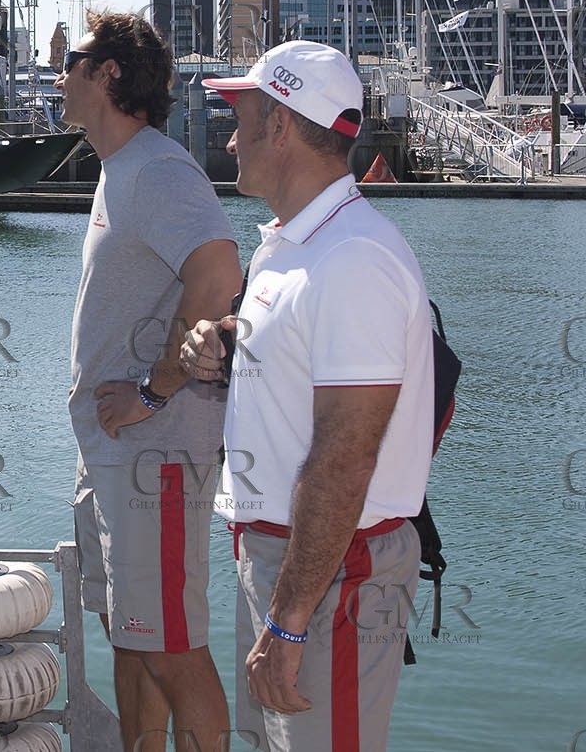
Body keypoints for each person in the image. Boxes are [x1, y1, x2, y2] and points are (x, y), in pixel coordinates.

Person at [182, 41, 434, 751]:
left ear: (283, 127)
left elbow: (348, 455)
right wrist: (223, 340)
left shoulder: (353, 258)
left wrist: (289, 621)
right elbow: (298, 353)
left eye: (243, 116)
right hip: (287, 564)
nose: (230, 136)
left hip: (330, 576)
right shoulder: (294, 246)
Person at [57, 11, 242, 752]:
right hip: (111, 451)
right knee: (131, 635)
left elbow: (219, 271)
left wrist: (154, 389)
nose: (57, 74)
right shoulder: (120, 170)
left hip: (156, 453)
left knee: (169, 644)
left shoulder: (159, 169)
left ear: (106, 74)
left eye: (69, 60)